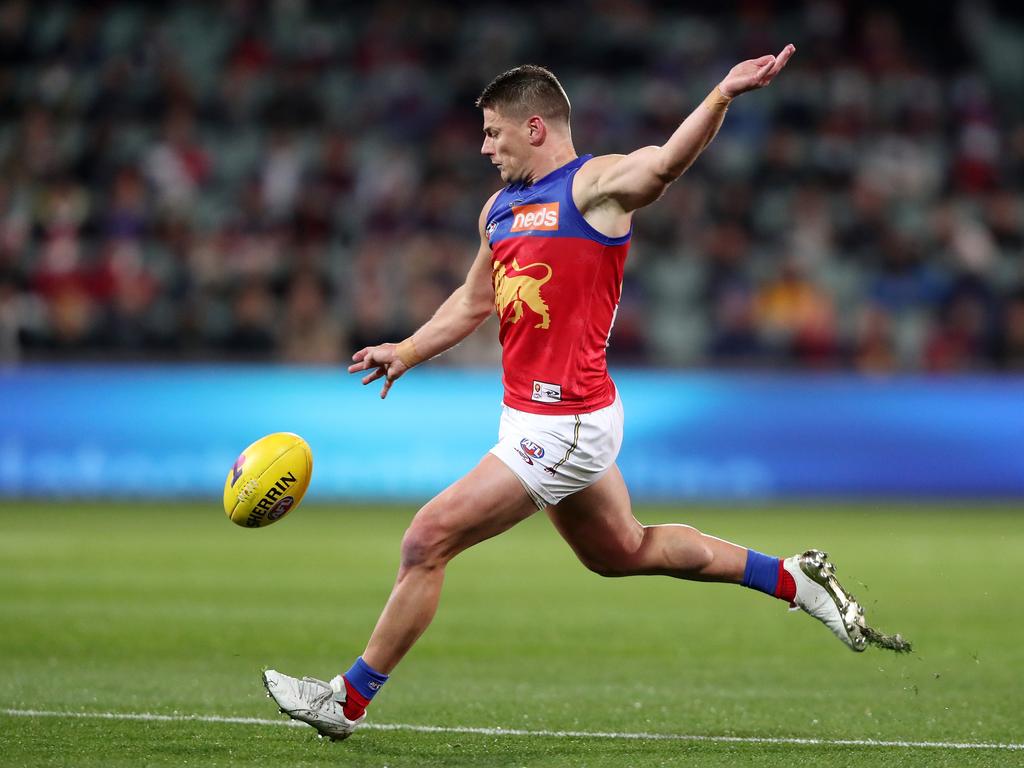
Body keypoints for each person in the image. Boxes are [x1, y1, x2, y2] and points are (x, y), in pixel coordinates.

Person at [262, 46, 907, 741]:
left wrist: (720, 93)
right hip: (536, 418)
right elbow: (473, 300)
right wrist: (408, 349)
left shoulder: (590, 188)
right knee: (621, 551)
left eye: (494, 133)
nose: (484, 147)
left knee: (426, 540)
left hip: (566, 421)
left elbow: (661, 165)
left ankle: (345, 702)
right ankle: (792, 579)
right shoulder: (500, 209)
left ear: (535, 127)